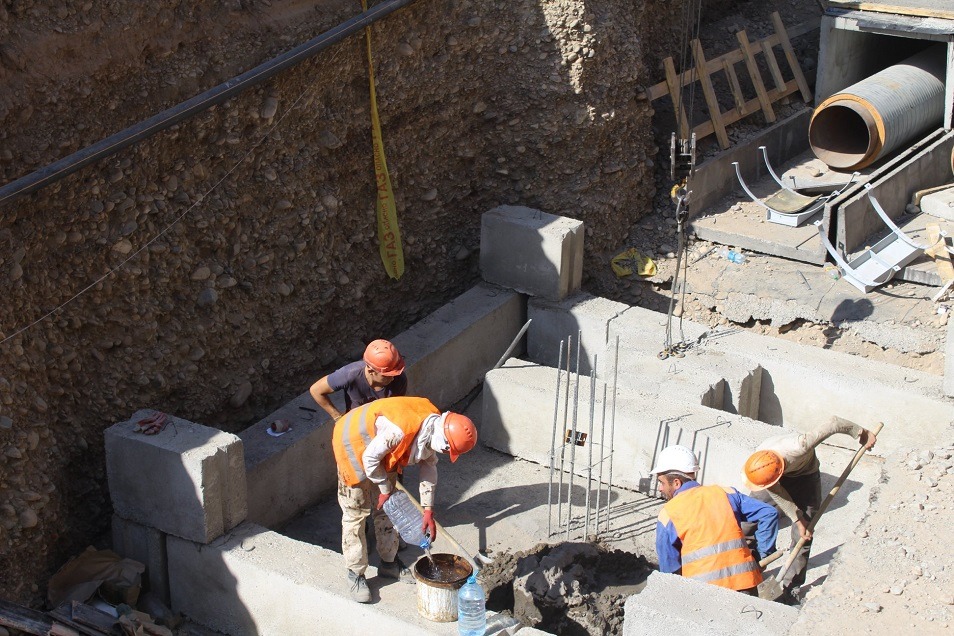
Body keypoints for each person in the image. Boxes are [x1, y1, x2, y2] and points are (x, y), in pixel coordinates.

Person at [331, 396, 478, 603]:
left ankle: (389, 563)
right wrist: (384, 489)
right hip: (353, 444)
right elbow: (370, 459)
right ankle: (355, 574)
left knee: (388, 510)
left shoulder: (433, 427)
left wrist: (428, 509)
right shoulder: (399, 431)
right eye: (448, 450)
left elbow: (429, 466)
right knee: (356, 514)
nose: (446, 454)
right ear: (443, 441)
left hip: (379, 448)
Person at [743, 416, 877, 603]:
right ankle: (744, 564)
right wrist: (795, 517)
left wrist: (861, 432)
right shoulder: (759, 466)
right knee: (748, 520)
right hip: (775, 476)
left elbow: (833, 422)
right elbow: (779, 495)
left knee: (804, 533)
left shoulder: (800, 446)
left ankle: (790, 588)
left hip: (805, 476)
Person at [652, 445, 778, 595]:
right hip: (745, 585)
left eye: (662, 482)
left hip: (703, 595)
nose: (660, 488)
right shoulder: (726, 493)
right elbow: (769, 513)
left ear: (677, 483)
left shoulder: (668, 514)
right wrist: (763, 554)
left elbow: (669, 572)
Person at [309, 339, 408, 421]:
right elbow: (316, 390)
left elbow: (395, 408)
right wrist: (337, 417)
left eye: (394, 373)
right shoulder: (350, 374)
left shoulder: (399, 380)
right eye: (387, 375)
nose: (392, 378)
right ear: (371, 370)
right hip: (356, 422)